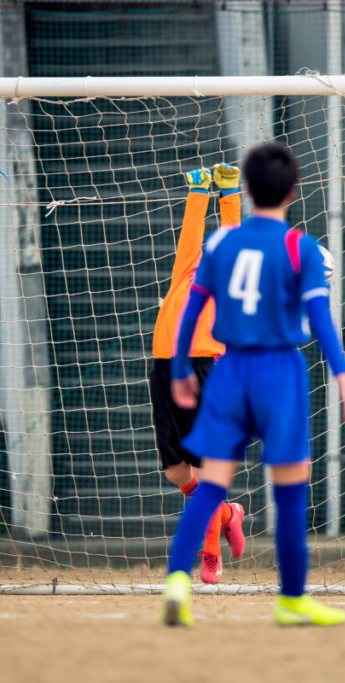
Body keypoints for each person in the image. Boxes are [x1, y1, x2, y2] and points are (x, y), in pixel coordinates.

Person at [162, 142, 345, 626]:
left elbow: (190, 310)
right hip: (280, 373)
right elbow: (321, 320)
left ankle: (177, 580)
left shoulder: (219, 245)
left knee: (212, 483)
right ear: (293, 193)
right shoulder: (301, 249)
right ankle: (292, 599)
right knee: (291, 489)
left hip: (230, 371)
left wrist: (179, 372)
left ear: (249, 190)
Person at [149, 164, 245, 584]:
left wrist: (229, 192)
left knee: (207, 470)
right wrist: (199, 191)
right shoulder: (185, 274)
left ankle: (210, 555)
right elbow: (190, 235)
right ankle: (227, 513)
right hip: (165, 367)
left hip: (206, 368)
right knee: (176, 472)